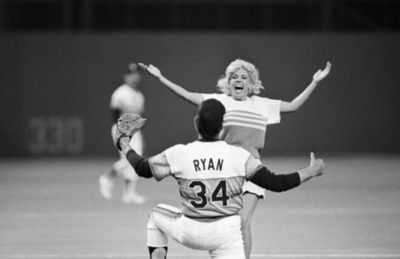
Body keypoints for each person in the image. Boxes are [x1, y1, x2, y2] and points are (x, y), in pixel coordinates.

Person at [139, 59, 331, 257]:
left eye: (244, 77)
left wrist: (314, 82)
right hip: (227, 170)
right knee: (226, 222)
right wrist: (161, 78)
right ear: (227, 82)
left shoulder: (263, 105)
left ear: (251, 83)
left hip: (253, 169)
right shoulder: (219, 101)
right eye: (234, 77)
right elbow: (187, 95)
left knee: (243, 221)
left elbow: (293, 106)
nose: (238, 80)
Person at [113, 99, 325, 259]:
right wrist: (311, 171)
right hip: (226, 233)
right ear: (222, 126)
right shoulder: (240, 156)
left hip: (190, 230)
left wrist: (124, 142)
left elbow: (141, 168)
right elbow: (277, 183)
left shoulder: (179, 153)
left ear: (196, 123)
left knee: (155, 216)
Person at [99, 63, 146, 204]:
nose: (134, 77)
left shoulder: (139, 95)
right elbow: (114, 115)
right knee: (129, 159)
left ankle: (129, 194)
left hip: (135, 131)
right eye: (131, 74)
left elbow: (141, 116)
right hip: (122, 129)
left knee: (136, 162)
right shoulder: (120, 93)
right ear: (125, 77)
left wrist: (140, 135)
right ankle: (107, 177)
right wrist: (121, 133)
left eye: (136, 74)